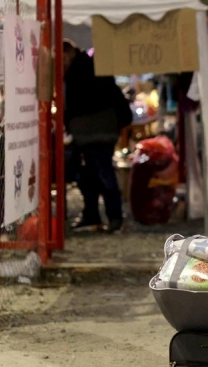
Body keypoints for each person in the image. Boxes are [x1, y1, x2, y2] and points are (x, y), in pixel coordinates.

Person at [62, 40, 132, 232]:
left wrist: (68, 122)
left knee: (99, 174)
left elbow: (74, 105)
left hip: (94, 133)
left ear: (68, 53)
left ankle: (111, 216)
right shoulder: (88, 66)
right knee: (92, 174)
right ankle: (101, 216)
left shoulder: (80, 70)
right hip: (98, 131)